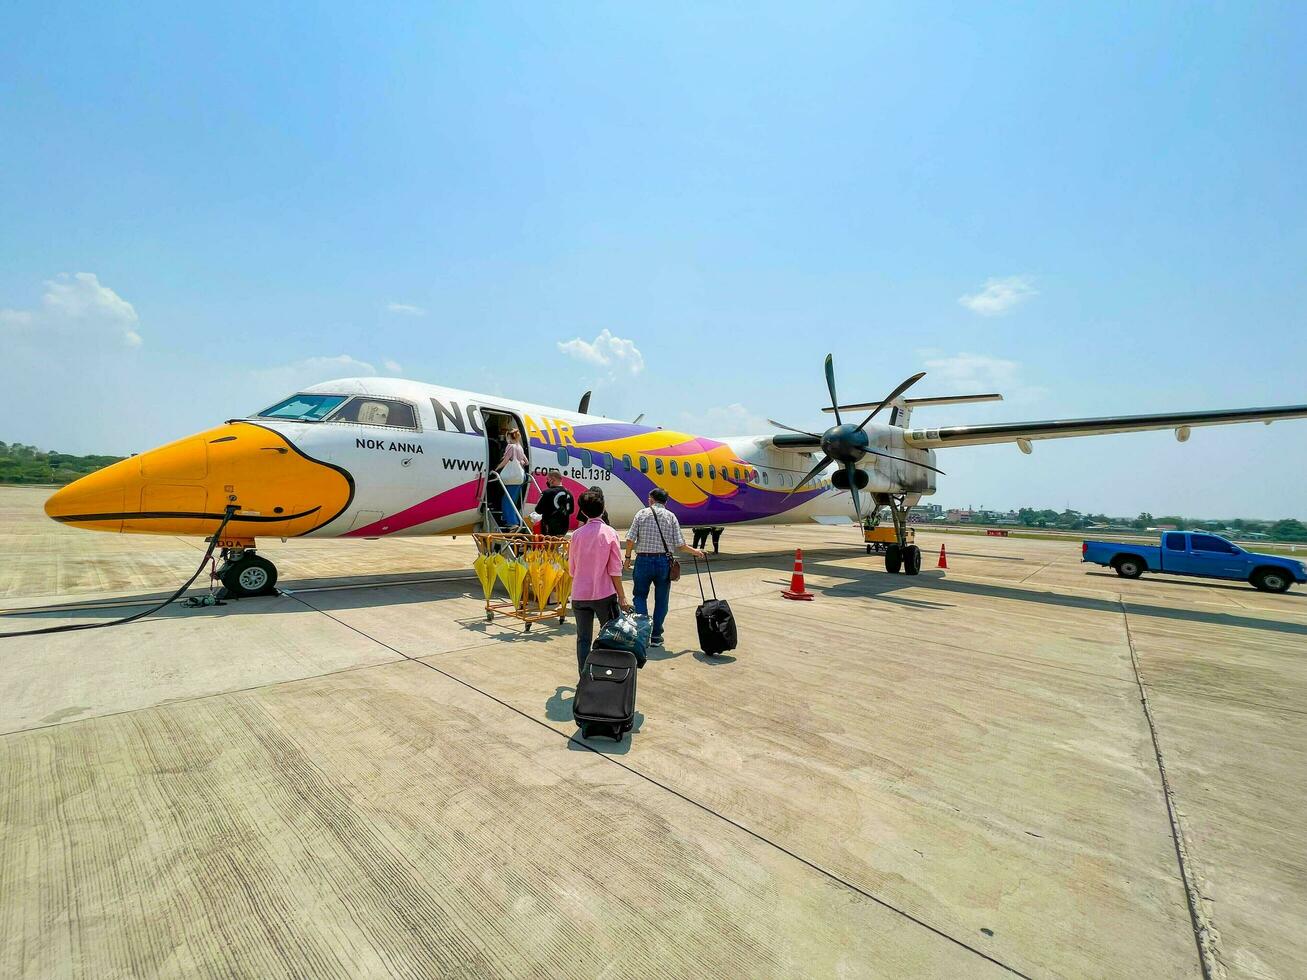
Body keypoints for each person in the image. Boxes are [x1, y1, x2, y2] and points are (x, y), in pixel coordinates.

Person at [623, 488, 704, 647]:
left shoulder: (641, 514)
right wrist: (695, 551)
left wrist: (627, 558)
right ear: (665, 502)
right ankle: (656, 636)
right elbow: (680, 545)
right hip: (663, 562)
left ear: (651, 499)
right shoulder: (671, 517)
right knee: (661, 601)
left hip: (643, 560)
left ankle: (643, 633)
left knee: (639, 596)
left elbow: (630, 540)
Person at [568, 488, 629, 674]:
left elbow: (572, 569)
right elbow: (614, 569)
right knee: (609, 636)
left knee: (583, 639)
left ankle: (584, 675)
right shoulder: (610, 533)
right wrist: (622, 596)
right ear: (603, 509)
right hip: (604, 595)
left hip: (580, 595)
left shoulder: (576, 535)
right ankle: (606, 673)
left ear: (583, 512)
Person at [495, 426, 528, 526]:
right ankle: (514, 521)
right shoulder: (520, 448)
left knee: (506, 500)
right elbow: (526, 462)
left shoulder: (510, 446)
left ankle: (512, 522)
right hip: (519, 477)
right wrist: (519, 463)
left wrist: (496, 469)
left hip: (512, 478)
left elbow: (505, 461)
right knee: (512, 499)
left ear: (509, 436)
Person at [534, 469, 574, 537]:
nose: (547, 481)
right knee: (557, 545)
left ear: (552, 479)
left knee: (548, 547)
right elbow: (571, 511)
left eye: (548, 479)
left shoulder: (547, 493)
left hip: (549, 528)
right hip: (564, 528)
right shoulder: (569, 493)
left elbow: (538, 510)